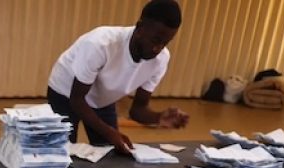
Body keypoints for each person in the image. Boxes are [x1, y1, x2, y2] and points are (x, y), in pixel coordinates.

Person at [47, 0, 189, 153]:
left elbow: (137, 110)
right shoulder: (101, 44)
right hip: (66, 92)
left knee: (111, 153)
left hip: (103, 97)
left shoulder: (161, 60)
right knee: (63, 153)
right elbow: (77, 100)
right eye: (155, 40)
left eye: (165, 43)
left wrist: (159, 117)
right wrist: (110, 132)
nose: (158, 48)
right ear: (140, 28)